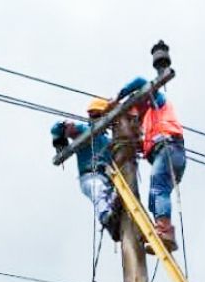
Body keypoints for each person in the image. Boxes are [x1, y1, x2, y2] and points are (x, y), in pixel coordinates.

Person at [117, 76, 186, 249]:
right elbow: (145, 144)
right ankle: (164, 233)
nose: (136, 117)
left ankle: (164, 230)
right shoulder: (147, 121)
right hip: (168, 153)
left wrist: (118, 97)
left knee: (158, 188)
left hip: (170, 148)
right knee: (153, 199)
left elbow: (140, 80)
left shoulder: (157, 102)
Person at [51, 97, 121, 240]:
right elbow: (56, 129)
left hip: (109, 180)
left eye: (97, 115)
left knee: (117, 200)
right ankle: (107, 218)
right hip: (90, 176)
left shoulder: (109, 141)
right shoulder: (86, 130)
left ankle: (117, 227)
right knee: (99, 192)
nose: (94, 118)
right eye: (92, 115)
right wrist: (64, 126)